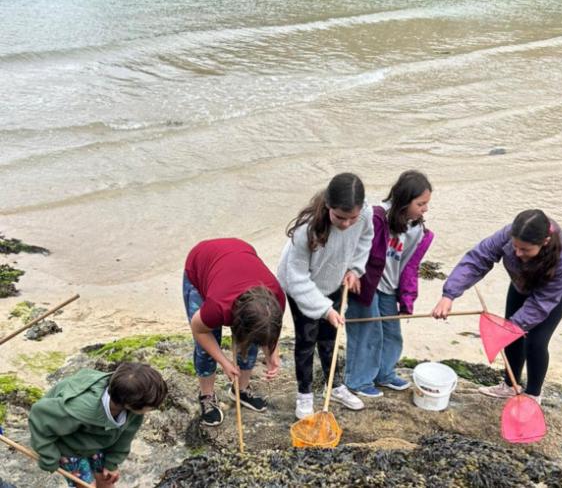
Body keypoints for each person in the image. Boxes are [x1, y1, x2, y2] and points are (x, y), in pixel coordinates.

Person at [432, 209, 562, 404]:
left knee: (535, 340)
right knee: (510, 334)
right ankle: (510, 386)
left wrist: (511, 328)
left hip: (555, 294)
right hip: (522, 282)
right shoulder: (509, 234)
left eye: (525, 250)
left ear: (544, 242)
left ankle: (533, 395)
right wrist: (449, 295)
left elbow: (539, 305)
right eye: (515, 246)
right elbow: (478, 259)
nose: (517, 253)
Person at [277, 172, 374, 419]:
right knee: (307, 339)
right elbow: (297, 279)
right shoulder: (306, 230)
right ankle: (305, 395)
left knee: (330, 337)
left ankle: (335, 386)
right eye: (340, 217)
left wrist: (355, 269)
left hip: (336, 279)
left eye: (351, 218)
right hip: (301, 285)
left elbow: (365, 239)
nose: (345, 224)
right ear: (328, 205)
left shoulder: (365, 215)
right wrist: (325, 309)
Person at [345, 170, 434, 397]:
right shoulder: (376, 217)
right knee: (367, 332)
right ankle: (358, 380)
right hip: (365, 284)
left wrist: (407, 297)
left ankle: (383, 373)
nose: (425, 209)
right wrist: (350, 273)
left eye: (426, 204)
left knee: (392, 332)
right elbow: (352, 246)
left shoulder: (416, 230)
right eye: (421, 203)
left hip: (389, 288)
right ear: (404, 200)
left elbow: (410, 266)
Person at [183, 238, 285, 425]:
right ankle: (206, 395)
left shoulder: (276, 297)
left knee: (253, 336)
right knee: (207, 346)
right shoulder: (218, 306)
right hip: (201, 262)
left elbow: (270, 329)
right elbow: (199, 330)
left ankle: (240, 390)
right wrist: (225, 362)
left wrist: (272, 354)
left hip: (240, 253)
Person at [29, 362, 167, 488]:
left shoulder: (131, 402)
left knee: (107, 481)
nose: (153, 409)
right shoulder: (79, 408)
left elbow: (126, 434)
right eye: (151, 407)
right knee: (86, 485)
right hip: (69, 447)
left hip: (97, 441)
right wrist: (49, 457)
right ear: (130, 404)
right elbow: (39, 415)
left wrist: (112, 462)